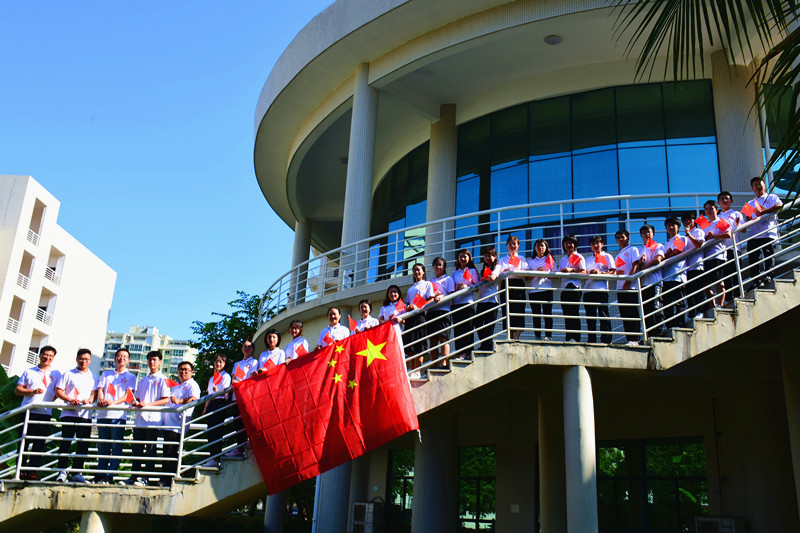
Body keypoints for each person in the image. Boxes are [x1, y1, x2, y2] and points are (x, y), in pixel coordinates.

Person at [15, 345, 60, 480]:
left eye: (50, 356)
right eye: (45, 355)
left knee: (39, 443)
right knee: (24, 441)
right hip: (28, 411)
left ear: (53, 358)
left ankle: (32, 471)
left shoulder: (56, 374)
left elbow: (57, 392)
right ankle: (20, 470)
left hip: (45, 413)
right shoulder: (29, 371)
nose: (47, 358)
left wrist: (48, 401)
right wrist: (32, 391)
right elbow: (18, 390)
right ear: (40, 355)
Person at [126, 350, 170, 486]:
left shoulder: (162, 379)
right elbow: (139, 398)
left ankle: (146, 478)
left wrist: (148, 404)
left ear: (160, 362)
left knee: (150, 449)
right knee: (137, 449)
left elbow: (166, 399)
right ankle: (133, 476)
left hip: (153, 420)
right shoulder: (143, 380)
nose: (152, 362)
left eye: (154, 360)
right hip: (140, 420)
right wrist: (136, 403)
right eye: (150, 360)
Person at [54, 349, 97, 483]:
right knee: (65, 443)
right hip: (68, 413)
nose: (84, 361)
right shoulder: (68, 374)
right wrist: (69, 399)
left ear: (90, 360)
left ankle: (76, 472)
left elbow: (94, 394)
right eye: (81, 358)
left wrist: (89, 400)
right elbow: (58, 391)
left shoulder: (93, 376)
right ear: (77, 359)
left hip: (85, 415)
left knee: (83, 444)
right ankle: (62, 472)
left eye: (87, 359)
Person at [94, 348, 137, 484]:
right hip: (102, 416)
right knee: (103, 447)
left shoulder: (131, 376)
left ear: (128, 360)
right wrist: (101, 400)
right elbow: (100, 389)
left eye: (124, 356)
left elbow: (128, 395)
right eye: (119, 356)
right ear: (115, 358)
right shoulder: (106, 374)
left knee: (116, 447)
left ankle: (109, 475)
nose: (121, 358)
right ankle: (99, 474)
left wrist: (113, 402)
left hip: (118, 416)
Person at [162, 361, 200, 486]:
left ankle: (168, 480)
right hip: (168, 424)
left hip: (178, 425)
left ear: (191, 372)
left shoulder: (192, 385)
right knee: (166, 451)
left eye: (186, 370)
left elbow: (194, 399)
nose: (183, 372)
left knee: (171, 451)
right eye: (180, 369)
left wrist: (179, 401)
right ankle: (164, 478)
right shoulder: (176, 385)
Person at [744, 176, 783, 289]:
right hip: (754, 234)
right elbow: (747, 219)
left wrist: (764, 211)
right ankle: (755, 280)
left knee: (768, 254)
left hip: (767, 232)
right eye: (755, 185)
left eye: (759, 184)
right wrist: (751, 217)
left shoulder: (772, 197)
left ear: (764, 185)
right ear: (752, 188)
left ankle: (769, 275)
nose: (758, 186)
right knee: (753, 257)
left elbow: (779, 205)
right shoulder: (750, 202)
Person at [228, 339, 259, 458]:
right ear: (241, 349)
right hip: (236, 396)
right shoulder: (237, 364)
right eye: (245, 347)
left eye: (249, 347)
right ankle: (239, 448)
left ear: (253, 349)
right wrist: (234, 381)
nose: (247, 349)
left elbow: (252, 378)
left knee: (248, 421)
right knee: (238, 423)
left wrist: (240, 382)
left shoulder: (255, 362)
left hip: (247, 395)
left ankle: (249, 443)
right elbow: (233, 378)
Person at [201, 353, 231, 468]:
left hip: (220, 403)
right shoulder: (212, 378)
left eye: (220, 362)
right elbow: (209, 394)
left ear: (224, 364)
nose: (218, 364)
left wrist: (217, 390)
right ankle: (212, 457)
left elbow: (225, 393)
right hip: (212, 404)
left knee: (217, 431)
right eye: (216, 361)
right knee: (211, 431)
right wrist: (205, 408)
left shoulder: (226, 376)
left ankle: (216, 457)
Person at [404, 264, 435, 373]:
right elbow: (407, 303)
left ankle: (418, 371)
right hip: (410, 318)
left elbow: (431, 299)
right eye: (414, 270)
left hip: (420, 316)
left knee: (419, 346)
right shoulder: (410, 288)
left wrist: (418, 306)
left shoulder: (427, 284)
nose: (416, 272)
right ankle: (412, 371)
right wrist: (408, 307)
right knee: (411, 347)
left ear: (423, 272)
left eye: (418, 270)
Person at [584, 235, 615, 343]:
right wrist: (590, 273)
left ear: (602, 244)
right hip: (588, 290)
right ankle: (591, 340)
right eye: (593, 244)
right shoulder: (588, 259)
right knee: (590, 317)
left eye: (597, 243)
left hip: (601, 289)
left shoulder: (607, 256)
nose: (595, 245)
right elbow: (584, 273)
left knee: (603, 315)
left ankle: (606, 340)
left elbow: (613, 272)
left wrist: (600, 273)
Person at [637, 225, 665, 338]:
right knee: (646, 310)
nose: (647, 234)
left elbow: (658, 260)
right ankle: (649, 334)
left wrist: (644, 269)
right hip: (643, 284)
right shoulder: (639, 250)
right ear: (641, 235)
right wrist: (640, 263)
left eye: (649, 232)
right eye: (644, 232)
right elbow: (636, 267)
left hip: (655, 281)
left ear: (653, 233)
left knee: (656, 306)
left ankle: (659, 332)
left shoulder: (658, 246)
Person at [614, 230, 642, 345]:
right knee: (624, 314)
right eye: (618, 238)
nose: (620, 239)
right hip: (620, 288)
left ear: (628, 238)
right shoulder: (618, 255)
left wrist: (628, 281)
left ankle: (635, 339)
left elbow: (636, 265)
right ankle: (629, 338)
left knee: (632, 313)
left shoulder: (633, 250)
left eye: (623, 237)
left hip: (630, 287)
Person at [701, 200, 731, 308]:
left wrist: (714, 236)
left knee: (719, 280)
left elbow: (728, 235)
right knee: (705, 282)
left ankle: (720, 304)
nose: (709, 211)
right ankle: (713, 305)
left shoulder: (720, 221)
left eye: (711, 208)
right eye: (707, 209)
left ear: (717, 210)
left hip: (718, 254)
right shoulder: (704, 225)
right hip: (706, 257)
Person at [498, 236, 528, 340]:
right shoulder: (502, 260)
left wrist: (512, 272)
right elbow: (499, 273)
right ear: (506, 245)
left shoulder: (522, 259)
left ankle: (516, 337)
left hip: (518, 285)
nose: (512, 246)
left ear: (518, 246)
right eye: (510, 244)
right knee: (507, 310)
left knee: (519, 310)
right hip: (506, 285)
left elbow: (526, 273)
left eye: (514, 244)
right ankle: (509, 337)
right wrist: (504, 272)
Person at [451, 249, 479, 360]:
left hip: (467, 303)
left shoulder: (472, 271)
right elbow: (451, 289)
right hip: (456, 303)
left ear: (469, 258)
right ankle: (460, 353)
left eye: (465, 256)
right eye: (461, 257)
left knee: (468, 328)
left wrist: (467, 287)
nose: (463, 259)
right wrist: (457, 288)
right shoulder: (455, 273)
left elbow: (477, 287)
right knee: (458, 329)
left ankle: (467, 352)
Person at [717, 191, 745, 300]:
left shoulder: (736, 214)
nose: (724, 200)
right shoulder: (718, 217)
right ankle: (728, 298)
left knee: (736, 272)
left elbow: (743, 230)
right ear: (718, 202)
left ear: (731, 201)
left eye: (727, 198)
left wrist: (738, 224)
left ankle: (738, 294)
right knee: (726, 275)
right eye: (722, 199)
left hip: (734, 247)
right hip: (722, 250)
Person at [427, 257, 454, 368]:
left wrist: (442, 296)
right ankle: (434, 364)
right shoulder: (429, 281)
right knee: (433, 340)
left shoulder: (449, 279)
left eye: (440, 265)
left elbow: (452, 295)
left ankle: (444, 363)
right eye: (436, 265)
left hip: (444, 311)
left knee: (443, 338)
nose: (438, 267)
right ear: (433, 267)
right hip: (431, 311)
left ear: (445, 267)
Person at [527, 239, 556, 341]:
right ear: (535, 248)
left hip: (547, 289)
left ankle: (548, 336)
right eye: (538, 246)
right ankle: (537, 336)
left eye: (542, 246)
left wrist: (545, 273)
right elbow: (527, 277)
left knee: (547, 314)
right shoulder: (531, 261)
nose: (540, 248)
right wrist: (536, 272)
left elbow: (556, 275)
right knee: (536, 315)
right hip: (534, 291)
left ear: (546, 247)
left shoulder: (550, 259)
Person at [662, 217, 688, 330]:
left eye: (673, 225)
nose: (671, 227)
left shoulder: (681, 238)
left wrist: (667, 255)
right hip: (666, 277)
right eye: (668, 226)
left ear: (678, 227)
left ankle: (680, 323)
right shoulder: (666, 244)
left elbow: (677, 251)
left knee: (678, 301)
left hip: (678, 274)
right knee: (667, 302)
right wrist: (668, 254)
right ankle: (669, 325)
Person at [558, 235, 586, 342]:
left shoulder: (579, 256)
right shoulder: (563, 259)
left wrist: (572, 270)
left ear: (575, 244)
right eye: (566, 243)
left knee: (574, 312)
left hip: (574, 287)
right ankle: (569, 337)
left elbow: (584, 272)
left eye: (571, 243)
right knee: (566, 313)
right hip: (564, 288)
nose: (568, 245)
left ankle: (576, 338)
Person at [475, 246, 501, 351]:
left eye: (490, 255)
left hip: (492, 299)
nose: (487, 258)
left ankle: (486, 346)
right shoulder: (484, 268)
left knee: (489, 325)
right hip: (482, 299)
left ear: (495, 256)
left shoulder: (498, 266)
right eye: (485, 256)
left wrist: (483, 278)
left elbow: (492, 277)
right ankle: (486, 345)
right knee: (477, 323)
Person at [681, 213, 707, 321]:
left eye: (690, 219)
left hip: (697, 265)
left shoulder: (698, 231)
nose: (688, 222)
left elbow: (699, 244)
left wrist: (689, 235)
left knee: (698, 290)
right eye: (685, 220)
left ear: (694, 220)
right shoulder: (683, 237)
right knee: (689, 292)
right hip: (686, 269)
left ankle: (701, 311)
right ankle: (692, 313)